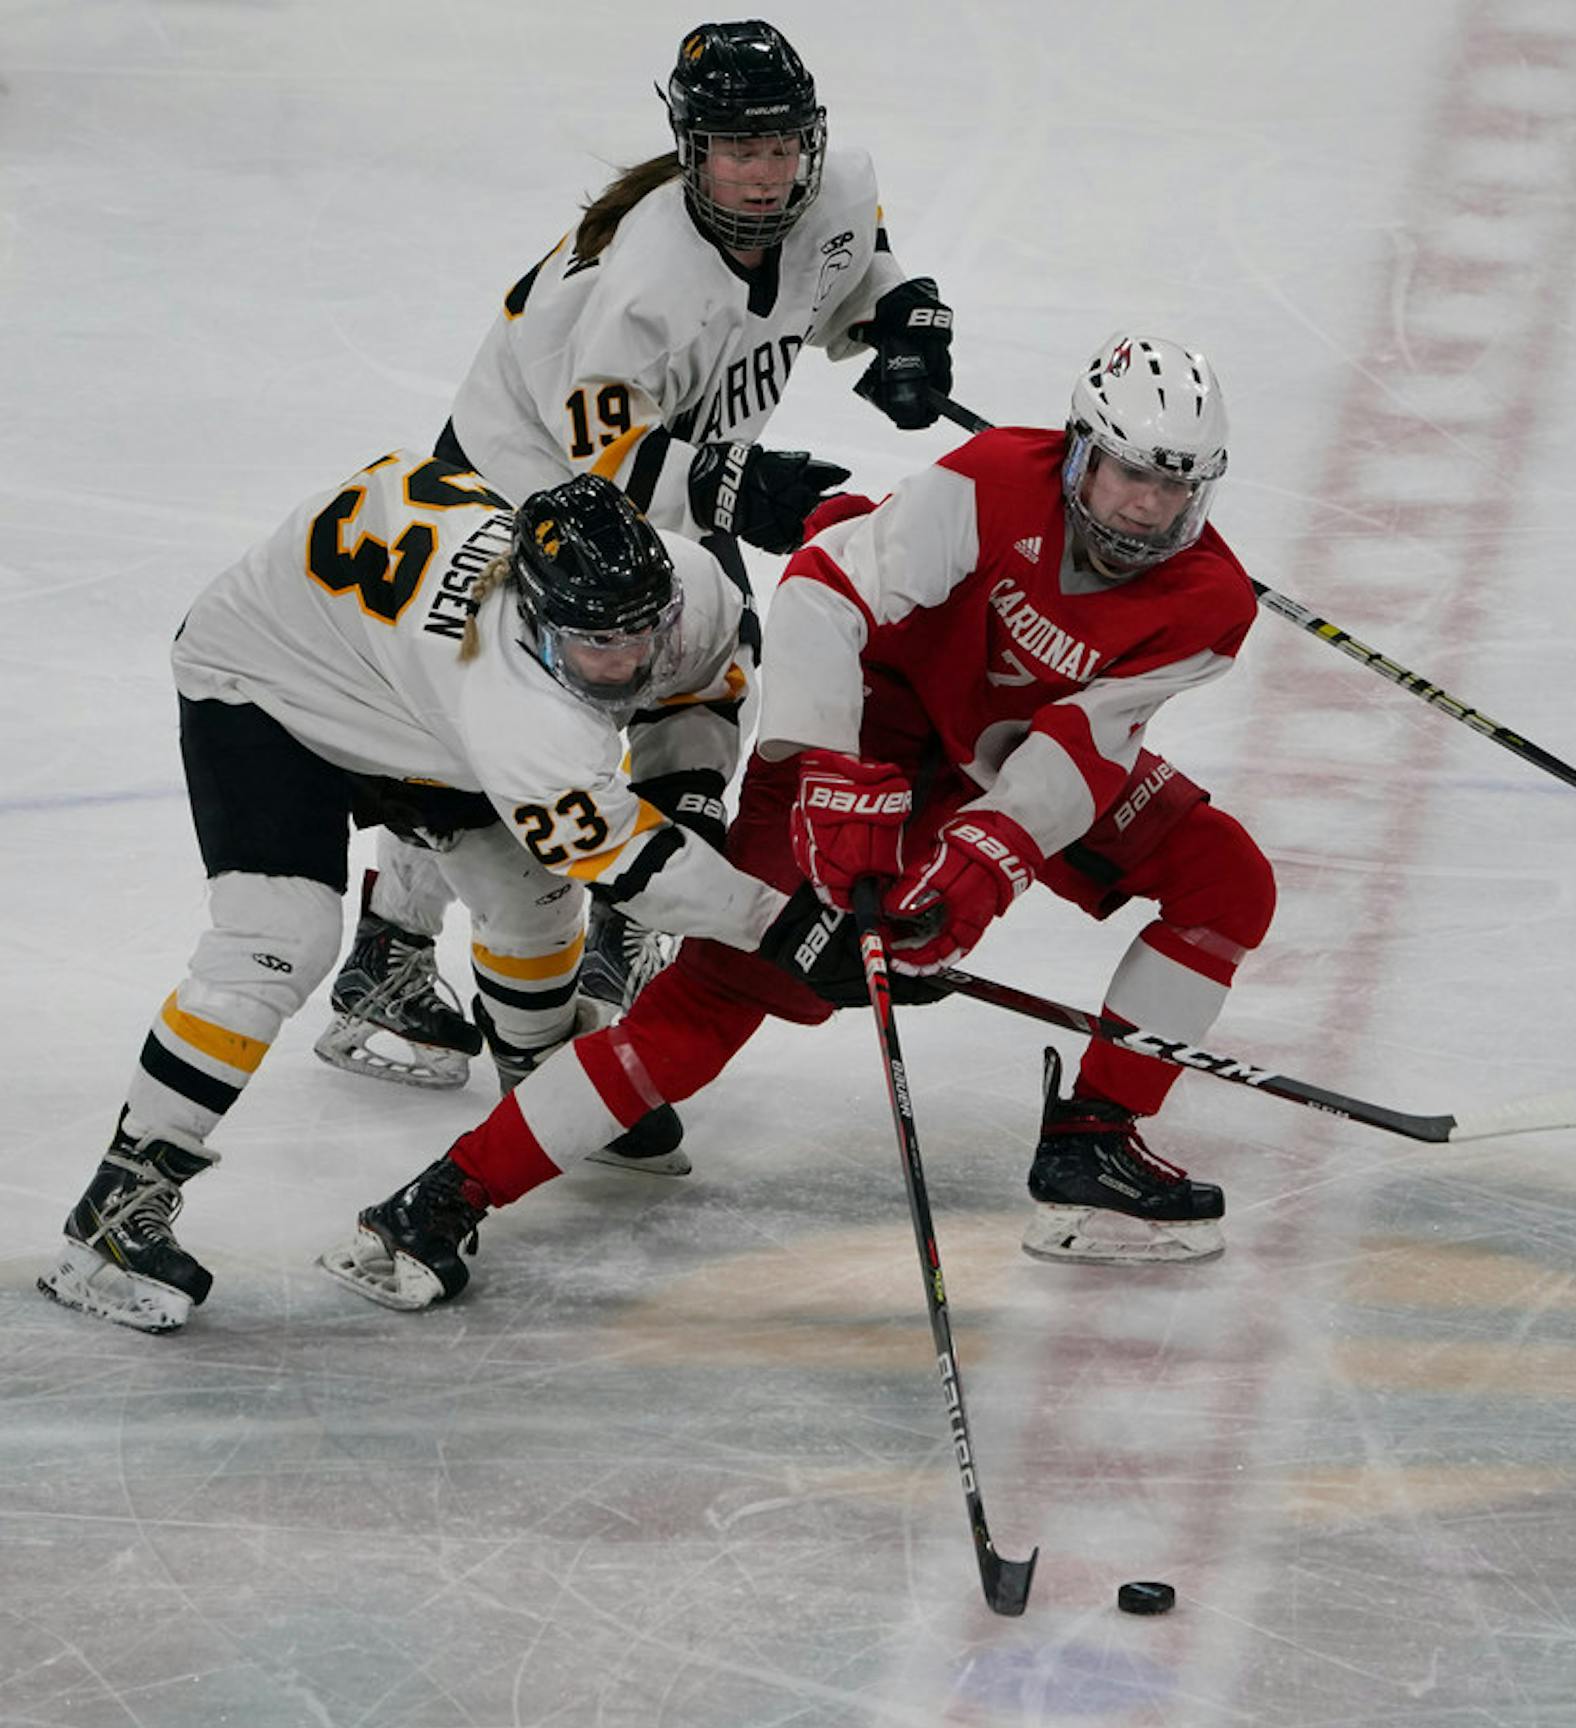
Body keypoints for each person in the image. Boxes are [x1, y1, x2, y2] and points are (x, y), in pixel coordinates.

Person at [319, 332, 1277, 1311]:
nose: (1148, 508)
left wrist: (977, 873)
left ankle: (1093, 1146)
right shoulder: (991, 481)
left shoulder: (1208, 601)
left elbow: (1082, 748)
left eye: (1178, 486)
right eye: (1127, 473)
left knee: (1226, 880)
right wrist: (833, 776)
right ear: (1081, 446)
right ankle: (445, 1195)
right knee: (722, 996)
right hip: (869, 729)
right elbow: (825, 589)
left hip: (1000, 757)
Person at [316, 17, 957, 1091]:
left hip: (667, 469)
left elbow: (853, 262)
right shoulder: (639, 284)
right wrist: (741, 487)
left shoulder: (835, 184)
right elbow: (605, 461)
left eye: (784, 144)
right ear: (692, 148)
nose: (768, 174)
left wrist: (904, 327)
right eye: (738, 150)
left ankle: (638, 908)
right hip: (515, 483)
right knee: (483, 737)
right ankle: (388, 949)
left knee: (711, 669)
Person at [39, 464, 786, 1333]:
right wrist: (777, 924)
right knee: (279, 938)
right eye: (597, 645)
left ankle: (541, 1085)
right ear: (536, 617)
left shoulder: (684, 588)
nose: (626, 662)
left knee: (531, 895)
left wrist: (689, 789)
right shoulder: (512, 699)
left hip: (406, 688)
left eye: (641, 635)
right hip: (269, 684)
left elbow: (703, 680)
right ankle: (117, 1206)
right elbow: (632, 868)